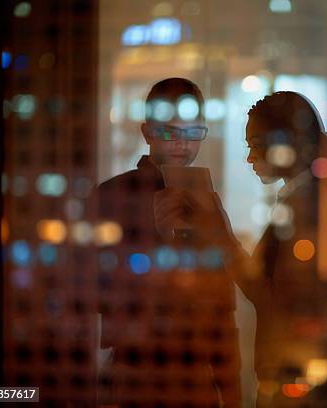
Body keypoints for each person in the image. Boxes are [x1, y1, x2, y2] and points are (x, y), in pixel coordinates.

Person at [187, 91, 327, 407]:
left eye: (255, 145)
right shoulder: (306, 200)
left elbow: (268, 294)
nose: (250, 158)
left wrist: (220, 236)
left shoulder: (305, 207)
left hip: (300, 373)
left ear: (284, 143)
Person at [92, 78, 241, 407]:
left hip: (198, 372)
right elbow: (97, 294)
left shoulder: (207, 201)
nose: (182, 145)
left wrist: (229, 389)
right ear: (147, 133)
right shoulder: (113, 196)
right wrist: (158, 241)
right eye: (170, 133)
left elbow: (221, 303)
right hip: (139, 372)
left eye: (192, 134)